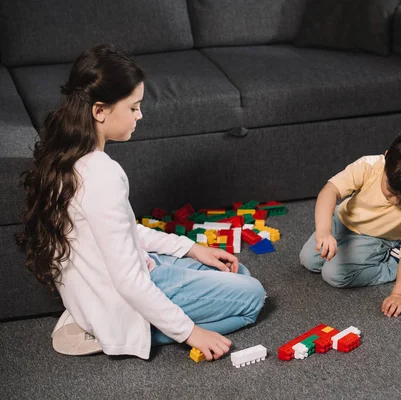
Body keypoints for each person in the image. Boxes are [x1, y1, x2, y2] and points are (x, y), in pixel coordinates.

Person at [16, 44, 265, 361]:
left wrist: (191, 248)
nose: (140, 115)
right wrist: (191, 333)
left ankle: (153, 315)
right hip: (126, 291)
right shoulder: (101, 175)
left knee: (235, 271)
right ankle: (140, 332)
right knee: (253, 297)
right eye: (133, 107)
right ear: (100, 111)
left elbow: (121, 232)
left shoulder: (69, 157)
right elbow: (128, 279)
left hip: (138, 268)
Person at [299, 128, 401, 318]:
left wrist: (399, 294)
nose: (395, 202)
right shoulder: (369, 166)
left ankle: (393, 260)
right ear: (386, 158)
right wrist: (324, 231)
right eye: (391, 191)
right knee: (309, 259)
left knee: (334, 274)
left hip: (379, 238)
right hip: (343, 221)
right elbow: (329, 191)